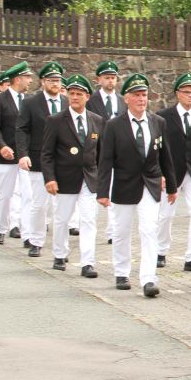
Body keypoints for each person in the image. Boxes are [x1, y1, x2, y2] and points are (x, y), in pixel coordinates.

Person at [96, 73, 178, 297]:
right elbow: (105, 160)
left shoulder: (158, 122)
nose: (142, 99)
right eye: (137, 95)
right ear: (126, 98)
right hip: (124, 184)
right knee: (121, 230)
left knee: (149, 229)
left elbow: (166, 157)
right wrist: (102, 191)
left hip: (150, 183)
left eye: (144, 95)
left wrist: (172, 186)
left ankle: (149, 278)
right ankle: (121, 272)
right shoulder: (114, 125)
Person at [41, 74, 104, 278]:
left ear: (87, 97)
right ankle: (60, 254)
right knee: (62, 219)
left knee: (89, 220)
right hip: (65, 178)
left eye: (79, 94)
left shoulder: (96, 120)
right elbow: (47, 153)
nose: (75, 97)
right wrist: (50, 178)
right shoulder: (56, 120)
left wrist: (102, 180)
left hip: (89, 178)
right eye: (72, 93)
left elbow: (101, 153)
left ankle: (88, 262)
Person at [155, 72, 191, 274]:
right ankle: (160, 251)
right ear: (177, 93)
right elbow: (157, 148)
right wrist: (160, 173)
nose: (190, 96)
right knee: (165, 214)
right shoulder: (163, 116)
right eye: (186, 92)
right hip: (171, 172)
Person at [16, 61, 67, 257]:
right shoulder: (31, 103)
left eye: (58, 80)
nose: (55, 84)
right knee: (39, 204)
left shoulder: (66, 102)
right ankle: (36, 241)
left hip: (63, 160)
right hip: (38, 159)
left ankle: (60, 247)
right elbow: (22, 130)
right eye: (51, 80)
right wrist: (23, 154)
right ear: (43, 82)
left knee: (61, 206)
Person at [0, 63, 33, 244]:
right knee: (4, 195)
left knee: (28, 196)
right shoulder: (0, 100)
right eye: (27, 77)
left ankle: (27, 233)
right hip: (6, 155)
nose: (30, 80)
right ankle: (0, 229)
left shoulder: (29, 101)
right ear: (17, 79)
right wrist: (1, 146)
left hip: (26, 155)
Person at [86, 60, 124, 245]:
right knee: (94, 192)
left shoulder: (122, 100)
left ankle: (112, 232)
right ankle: (88, 229)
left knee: (115, 191)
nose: (110, 81)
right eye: (107, 77)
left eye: (113, 77)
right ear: (99, 80)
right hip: (97, 150)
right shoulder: (91, 101)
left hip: (118, 151)